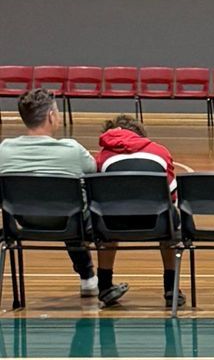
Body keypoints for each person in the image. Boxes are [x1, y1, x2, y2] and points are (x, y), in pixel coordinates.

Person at [0, 89, 121, 302]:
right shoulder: (72, 150)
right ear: (51, 116)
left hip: (23, 222)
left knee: (61, 204)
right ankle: (96, 281)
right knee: (76, 204)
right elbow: (94, 171)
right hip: (71, 223)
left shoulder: (4, 150)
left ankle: (87, 277)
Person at [94, 116, 182, 309]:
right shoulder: (160, 152)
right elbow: (172, 195)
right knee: (170, 219)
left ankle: (105, 286)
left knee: (105, 217)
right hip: (156, 222)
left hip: (114, 223)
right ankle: (171, 288)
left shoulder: (102, 157)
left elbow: (98, 197)